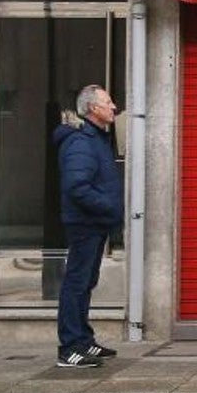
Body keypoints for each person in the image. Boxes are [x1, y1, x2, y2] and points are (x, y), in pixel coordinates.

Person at [53, 85, 123, 368]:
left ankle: (83, 341)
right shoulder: (81, 143)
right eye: (108, 102)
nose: (113, 107)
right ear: (93, 109)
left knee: (85, 283)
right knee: (76, 284)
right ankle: (69, 347)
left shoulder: (97, 140)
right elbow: (77, 187)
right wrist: (108, 206)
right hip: (85, 224)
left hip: (94, 223)